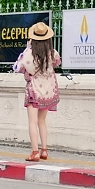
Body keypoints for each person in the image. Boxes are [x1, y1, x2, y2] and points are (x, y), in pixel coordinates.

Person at [14, 22, 61, 162]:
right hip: (48, 90)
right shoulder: (52, 53)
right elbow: (57, 63)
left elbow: (17, 67)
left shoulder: (28, 54)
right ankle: (44, 150)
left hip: (34, 90)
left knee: (32, 121)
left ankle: (35, 152)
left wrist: (28, 47)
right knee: (42, 121)